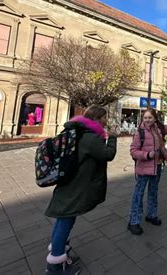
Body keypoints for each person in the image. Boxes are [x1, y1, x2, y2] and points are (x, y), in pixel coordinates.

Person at [44, 105, 117, 275]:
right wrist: (112, 138)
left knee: (63, 219)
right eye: (104, 117)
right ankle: (55, 265)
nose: (106, 120)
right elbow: (108, 154)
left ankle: (59, 252)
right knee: (66, 220)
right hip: (75, 186)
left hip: (69, 183)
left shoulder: (77, 131)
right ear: (97, 118)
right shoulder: (89, 136)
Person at [128, 108, 167, 235]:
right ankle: (133, 222)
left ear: (155, 118)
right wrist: (147, 155)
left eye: (150, 117)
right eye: (145, 118)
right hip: (143, 169)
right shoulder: (139, 132)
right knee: (138, 195)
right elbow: (133, 150)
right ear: (142, 119)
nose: (147, 120)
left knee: (153, 192)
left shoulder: (159, 129)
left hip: (156, 167)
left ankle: (151, 215)